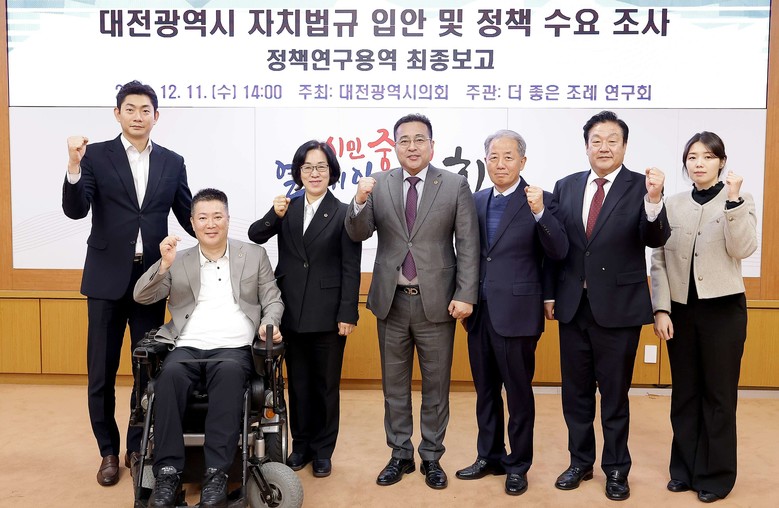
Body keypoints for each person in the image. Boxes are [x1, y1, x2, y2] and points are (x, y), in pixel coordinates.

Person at [61, 80, 193, 487]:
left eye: (145, 110)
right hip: (105, 279)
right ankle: (107, 451)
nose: (138, 116)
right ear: (117, 114)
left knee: (146, 370)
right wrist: (73, 166)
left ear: (157, 116)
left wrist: (223, 231)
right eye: (130, 109)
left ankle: (137, 448)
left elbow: (189, 215)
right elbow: (75, 210)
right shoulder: (95, 156)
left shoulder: (172, 161)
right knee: (100, 372)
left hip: (151, 280)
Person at [345, 113, 479, 490]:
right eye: (404, 140)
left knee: (436, 386)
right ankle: (400, 454)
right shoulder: (379, 184)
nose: (412, 146)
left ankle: (432, 457)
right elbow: (357, 233)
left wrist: (466, 293)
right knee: (394, 386)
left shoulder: (454, 185)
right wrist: (358, 201)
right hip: (391, 301)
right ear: (394, 146)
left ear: (432, 146)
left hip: (436, 302)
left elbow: (468, 243)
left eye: (420, 139)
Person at [133, 188, 284, 508]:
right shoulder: (179, 259)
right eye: (203, 218)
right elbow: (142, 296)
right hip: (187, 345)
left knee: (228, 375)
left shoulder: (253, 255)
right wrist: (163, 265)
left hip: (233, 347)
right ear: (192, 223)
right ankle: (167, 474)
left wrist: (268, 324)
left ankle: (216, 474)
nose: (210, 224)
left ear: (228, 219)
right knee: (168, 378)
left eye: (217, 216)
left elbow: (272, 298)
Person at [548, 110, 670, 501]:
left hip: (619, 308)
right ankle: (580, 462)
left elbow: (655, 238)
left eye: (612, 140)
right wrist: (550, 295)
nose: (604, 147)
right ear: (586, 146)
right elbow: (556, 249)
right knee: (575, 394)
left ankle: (616, 469)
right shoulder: (566, 186)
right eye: (596, 140)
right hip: (573, 307)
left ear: (625, 146)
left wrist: (655, 200)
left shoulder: (641, 188)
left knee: (614, 397)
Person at [455, 130, 568, 496]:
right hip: (479, 313)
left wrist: (539, 213)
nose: (500, 164)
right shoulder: (475, 200)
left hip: (518, 313)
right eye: (493, 157)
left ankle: (518, 464)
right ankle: (488, 456)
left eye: (508, 157)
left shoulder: (540, 199)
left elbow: (558, 251)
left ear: (523, 161)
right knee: (485, 392)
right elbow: (470, 254)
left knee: (518, 394)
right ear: (485, 161)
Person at [650, 132, 757, 504]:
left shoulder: (739, 200)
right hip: (681, 311)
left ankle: (716, 476)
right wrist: (661, 308)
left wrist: (733, 202)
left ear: (721, 162)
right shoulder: (673, 203)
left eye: (708, 157)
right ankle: (683, 470)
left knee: (719, 396)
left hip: (723, 310)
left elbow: (742, 248)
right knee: (685, 393)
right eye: (693, 156)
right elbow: (659, 259)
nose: (699, 163)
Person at [248, 140, 361, 478]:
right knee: (297, 384)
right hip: (292, 310)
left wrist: (348, 313)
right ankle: (301, 445)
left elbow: (350, 267)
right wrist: (275, 213)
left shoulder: (343, 212)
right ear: (298, 172)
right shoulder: (288, 207)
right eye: (308, 167)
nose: (314, 173)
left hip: (329, 314)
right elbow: (256, 235)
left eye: (321, 167)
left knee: (326, 386)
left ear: (331, 172)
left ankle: (323, 451)